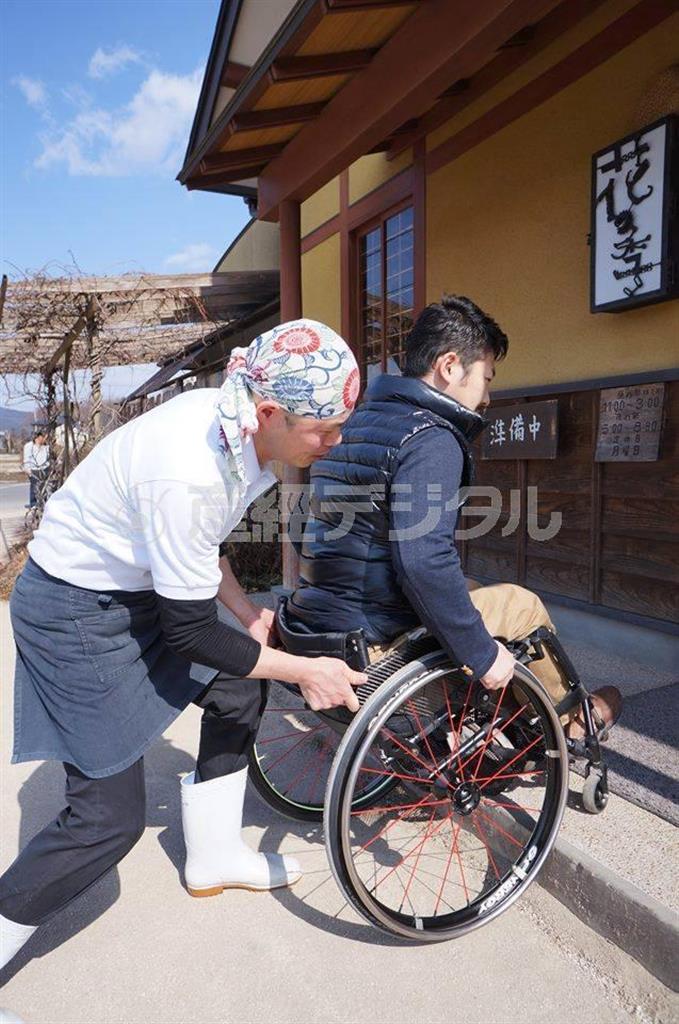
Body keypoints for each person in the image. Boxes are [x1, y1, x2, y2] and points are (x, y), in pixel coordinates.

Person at [0, 319, 366, 972]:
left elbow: (202, 546)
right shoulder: (191, 464)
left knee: (237, 685)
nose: (335, 442)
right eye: (326, 428)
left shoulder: (234, 429)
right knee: (104, 825)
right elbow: (190, 631)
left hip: (131, 589)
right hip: (72, 610)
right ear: (271, 412)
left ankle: (214, 855)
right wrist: (304, 670)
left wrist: (248, 612)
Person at [286, 295, 622, 735]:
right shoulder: (430, 438)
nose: (487, 395)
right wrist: (481, 654)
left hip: (320, 621)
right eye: (486, 376)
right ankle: (566, 720)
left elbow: (301, 528)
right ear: (449, 367)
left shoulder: (355, 423)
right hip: (373, 639)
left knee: (473, 588)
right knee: (523, 606)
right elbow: (423, 560)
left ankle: (514, 708)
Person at [22, 430, 49, 509]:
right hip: (34, 469)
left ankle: (43, 502)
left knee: (44, 487)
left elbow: (48, 458)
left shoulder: (46, 447)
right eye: (43, 437)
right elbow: (27, 458)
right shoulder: (29, 446)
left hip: (44, 468)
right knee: (34, 486)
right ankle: (33, 503)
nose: (45, 439)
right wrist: (27, 469)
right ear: (38, 437)